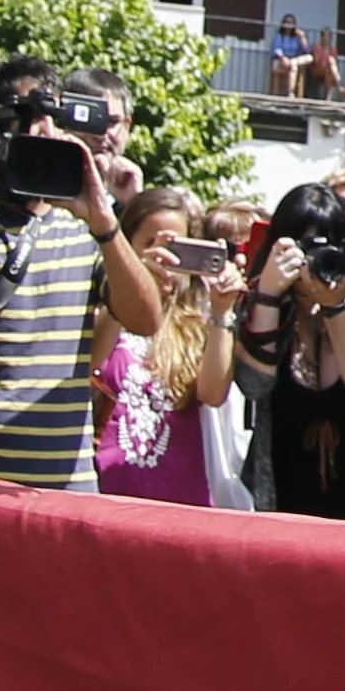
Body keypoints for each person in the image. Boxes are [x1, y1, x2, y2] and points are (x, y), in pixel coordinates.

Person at [0, 56, 159, 489]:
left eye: (50, 119)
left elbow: (145, 319)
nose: (41, 133)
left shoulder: (84, 221)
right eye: (25, 119)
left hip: (65, 481)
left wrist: (105, 222)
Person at [234, 180, 345, 519]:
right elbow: (254, 385)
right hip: (283, 508)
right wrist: (268, 296)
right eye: (303, 245)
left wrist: (334, 307)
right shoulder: (263, 297)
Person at [94, 189, 236, 508]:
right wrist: (132, 285)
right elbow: (90, 360)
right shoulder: (103, 312)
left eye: (174, 247)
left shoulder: (196, 324)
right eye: (149, 245)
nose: (164, 259)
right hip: (106, 495)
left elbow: (213, 393)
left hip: (177, 503)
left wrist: (222, 313)